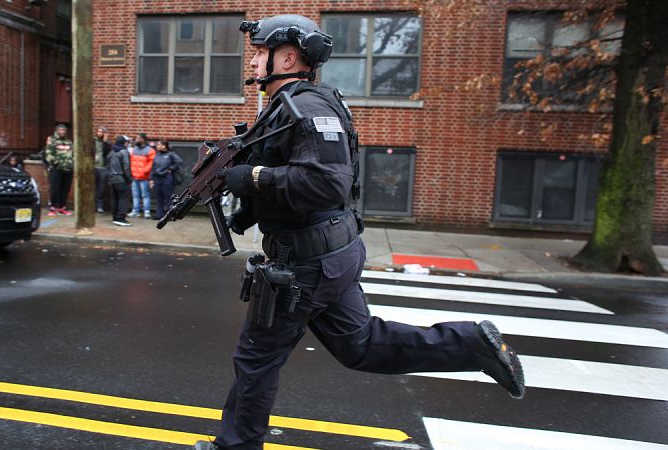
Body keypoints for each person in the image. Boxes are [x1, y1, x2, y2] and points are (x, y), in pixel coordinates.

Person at [192, 15, 525, 450]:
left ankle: (235, 446)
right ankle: (472, 344)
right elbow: (297, 175)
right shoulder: (290, 105)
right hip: (327, 253)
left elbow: (325, 183)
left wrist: (250, 178)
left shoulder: (306, 108)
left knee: (257, 358)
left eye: (260, 52)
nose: (253, 60)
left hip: (306, 263)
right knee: (361, 346)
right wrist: (248, 211)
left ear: (288, 57)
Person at [44, 124, 74, 216]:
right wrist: (56, 163)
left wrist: (72, 163)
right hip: (56, 169)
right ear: (57, 131)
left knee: (65, 189)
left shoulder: (69, 142)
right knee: (55, 189)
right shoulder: (52, 140)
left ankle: (62, 207)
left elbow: (73, 154)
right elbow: (48, 154)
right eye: (60, 130)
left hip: (68, 169)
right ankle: (53, 207)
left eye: (63, 130)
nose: (62, 132)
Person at [149, 139, 182, 220]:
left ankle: (170, 216)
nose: (157, 146)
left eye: (158, 145)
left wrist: (170, 169)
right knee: (159, 198)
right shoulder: (157, 154)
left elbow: (179, 162)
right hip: (157, 179)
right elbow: (153, 167)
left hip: (167, 179)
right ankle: (159, 215)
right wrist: (151, 179)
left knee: (168, 198)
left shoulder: (171, 154)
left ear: (163, 146)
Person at [107, 136, 133, 227]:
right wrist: (129, 179)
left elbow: (108, 166)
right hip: (121, 178)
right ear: (124, 143)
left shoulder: (111, 152)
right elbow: (126, 167)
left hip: (112, 178)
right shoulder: (124, 152)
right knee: (124, 197)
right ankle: (121, 218)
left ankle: (115, 217)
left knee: (115, 198)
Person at [128, 133, 156, 219]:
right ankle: (135, 211)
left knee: (145, 195)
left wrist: (144, 172)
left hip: (144, 177)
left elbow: (151, 164)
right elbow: (131, 162)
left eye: (138, 138)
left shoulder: (150, 150)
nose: (136, 140)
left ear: (143, 139)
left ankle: (146, 211)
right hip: (134, 177)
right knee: (135, 195)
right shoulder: (134, 149)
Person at [94, 126, 111, 213]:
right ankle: (93, 205)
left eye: (102, 132)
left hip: (104, 167)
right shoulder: (93, 141)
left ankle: (100, 206)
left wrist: (105, 142)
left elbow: (107, 153)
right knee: (94, 187)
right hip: (94, 166)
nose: (100, 133)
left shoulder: (107, 143)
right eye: (99, 131)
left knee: (101, 188)